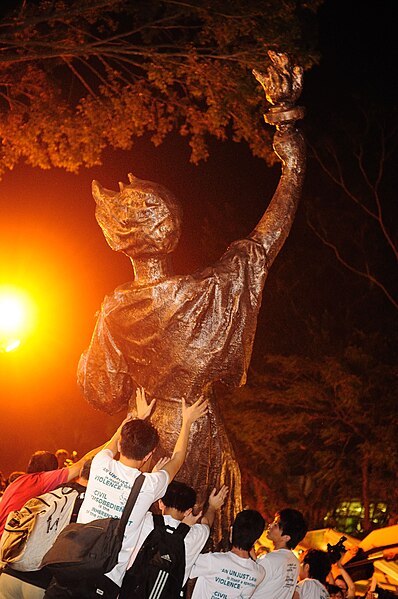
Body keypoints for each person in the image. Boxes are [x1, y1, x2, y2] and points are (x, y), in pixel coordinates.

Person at [77, 51, 307, 545]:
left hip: (141, 437)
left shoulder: (116, 308)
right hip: (201, 428)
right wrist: (290, 146)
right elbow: (266, 241)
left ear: (119, 239)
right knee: (199, 537)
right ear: (173, 231)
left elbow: (100, 392)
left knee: (132, 537)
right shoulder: (212, 290)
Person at [45, 388, 208, 599]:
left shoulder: (100, 463)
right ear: (149, 454)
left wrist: (135, 418)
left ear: (121, 444)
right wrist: (186, 422)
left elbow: (112, 443)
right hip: (106, 577)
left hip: (70, 564)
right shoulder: (149, 484)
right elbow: (177, 459)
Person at [0, 458, 93, 599]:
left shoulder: (50, 493)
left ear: (81, 472)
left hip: (10, 573)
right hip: (40, 582)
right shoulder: (86, 505)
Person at [120, 481, 228, 597]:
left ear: (160, 503)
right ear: (188, 511)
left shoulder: (145, 520)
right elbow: (206, 523)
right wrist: (212, 506)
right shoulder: (195, 535)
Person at [0, 443, 103, 537]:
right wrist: (116, 439)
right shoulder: (41, 480)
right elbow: (83, 462)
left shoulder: (18, 482)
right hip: (11, 545)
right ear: (50, 470)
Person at [188, 509, 266, 598]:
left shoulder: (211, 561)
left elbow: (185, 562)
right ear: (255, 541)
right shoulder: (259, 573)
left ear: (231, 531)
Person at [252, 508, 308, 599]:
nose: (270, 525)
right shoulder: (295, 562)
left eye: (276, 525)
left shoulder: (269, 559)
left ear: (286, 537)